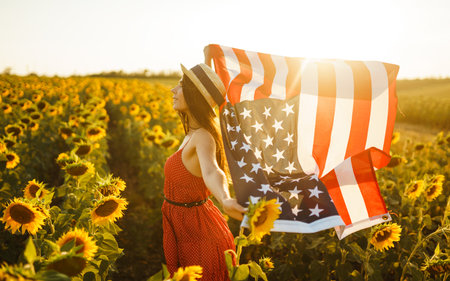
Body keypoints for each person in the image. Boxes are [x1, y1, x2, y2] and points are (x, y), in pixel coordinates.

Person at [162, 63, 246, 280]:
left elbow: (211, 172)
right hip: (186, 229)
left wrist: (225, 199)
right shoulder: (191, 134)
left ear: (194, 95)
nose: (173, 90)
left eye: (180, 86)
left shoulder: (202, 137)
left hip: (201, 236)